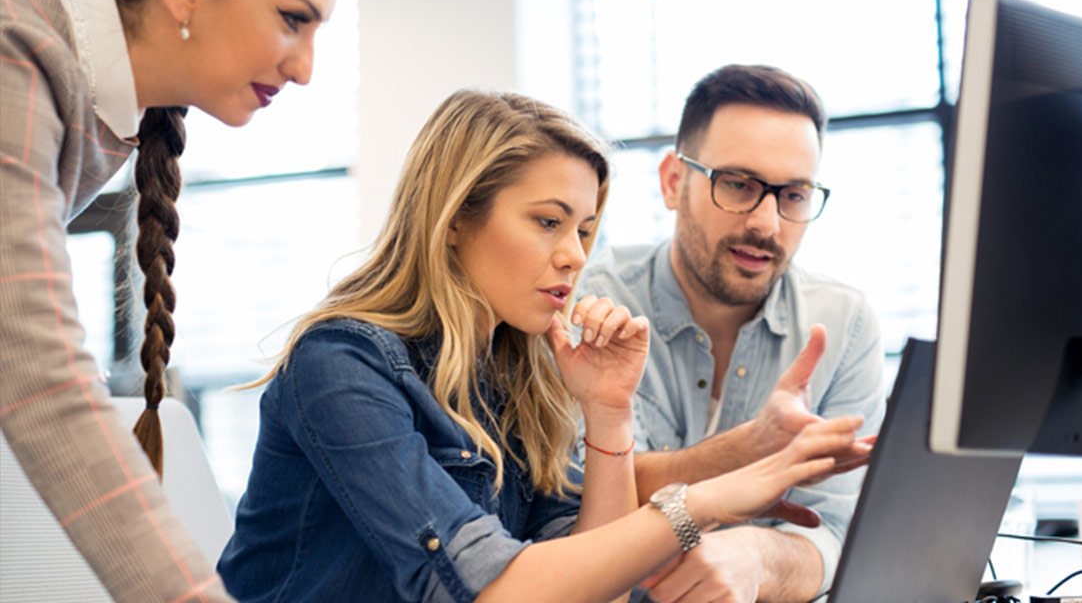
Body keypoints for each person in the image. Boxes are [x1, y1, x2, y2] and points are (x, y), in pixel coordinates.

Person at [216, 88, 865, 603]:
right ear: (454, 218)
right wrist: (703, 501)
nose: (575, 256)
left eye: (584, 230)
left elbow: (592, 589)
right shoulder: (340, 365)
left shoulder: (512, 376)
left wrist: (608, 412)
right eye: (549, 222)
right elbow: (497, 592)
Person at [0, 0, 366, 600]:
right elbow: (36, 375)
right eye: (292, 19)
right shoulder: (13, 54)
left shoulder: (91, 100)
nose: (306, 67)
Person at [576, 64, 886, 603]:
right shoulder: (592, 306)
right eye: (739, 184)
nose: (767, 223)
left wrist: (759, 559)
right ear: (674, 182)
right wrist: (752, 448)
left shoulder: (845, 324)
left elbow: (841, 531)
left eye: (793, 195)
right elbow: (584, 498)